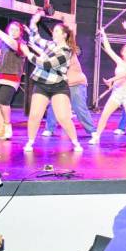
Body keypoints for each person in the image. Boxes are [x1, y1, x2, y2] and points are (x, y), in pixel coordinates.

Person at [19, 12, 82, 153]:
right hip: (42, 84)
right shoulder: (50, 44)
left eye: (57, 31)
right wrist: (33, 23)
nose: (54, 32)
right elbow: (36, 38)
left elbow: (46, 64)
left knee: (63, 117)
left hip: (58, 86)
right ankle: (30, 141)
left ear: (64, 35)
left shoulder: (66, 52)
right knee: (35, 115)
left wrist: (28, 54)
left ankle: (75, 142)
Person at [90, 29, 126, 145]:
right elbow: (108, 49)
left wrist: (111, 80)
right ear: (122, 53)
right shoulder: (119, 61)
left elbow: (124, 74)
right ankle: (97, 136)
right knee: (105, 115)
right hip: (117, 93)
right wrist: (104, 34)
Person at [41, 45, 96, 137]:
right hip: (62, 84)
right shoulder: (53, 54)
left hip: (76, 83)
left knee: (79, 108)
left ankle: (92, 130)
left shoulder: (69, 51)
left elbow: (72, 33)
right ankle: (49, 129)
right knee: (54, 106)